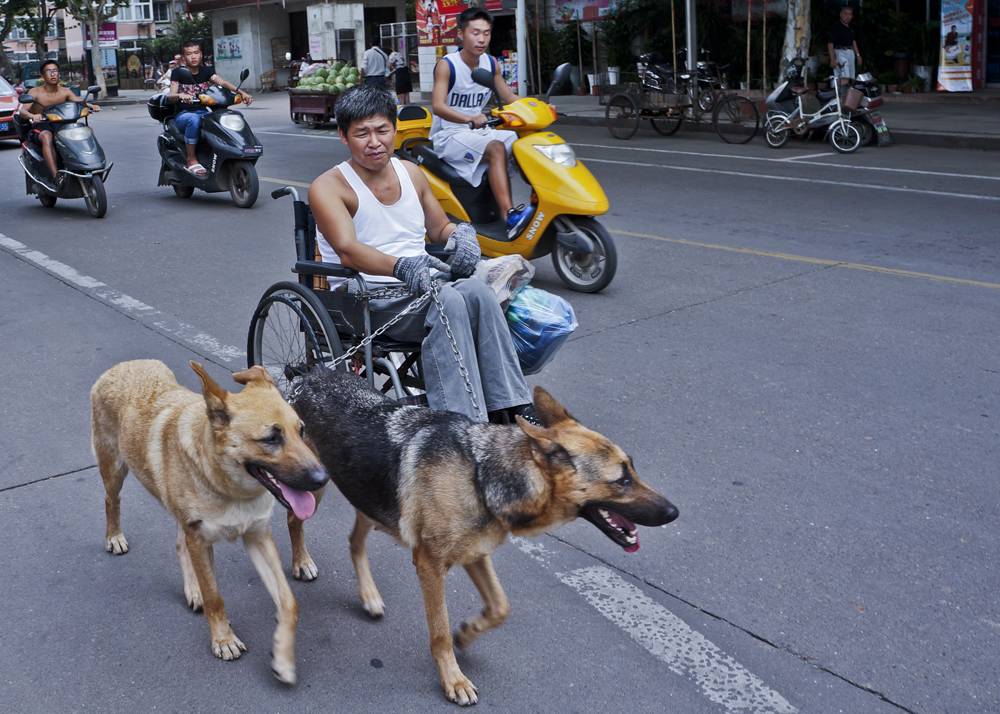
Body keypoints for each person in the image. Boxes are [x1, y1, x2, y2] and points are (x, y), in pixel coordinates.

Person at [308, 86, 538, 425]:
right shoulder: (329, 187)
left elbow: (439, 228)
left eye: (382, 130)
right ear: (343, 136)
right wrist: (400, 267)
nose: (375, 141)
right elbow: (347, 250)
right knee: (450, 300)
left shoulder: (411, 173)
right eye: (362, 133)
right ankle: (460, 420)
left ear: (395, 128)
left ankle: (512, 406)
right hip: (365, 296)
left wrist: (461, 237)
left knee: (478, 292)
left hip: (421, 288)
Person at [431, 8, 532, 240]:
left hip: (478, 130)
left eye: (486, 33)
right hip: (450, 133)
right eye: (475, 32)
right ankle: (509, 216)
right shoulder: (448, 65)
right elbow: (438, 105)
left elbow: (509, 97)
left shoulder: (490, 63)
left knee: (523, 142)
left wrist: (538, 106)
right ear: (461, 35)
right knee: (496, 147)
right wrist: (468, 118)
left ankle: (539, 202)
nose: (481, 39)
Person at [165, 40, 253, 178]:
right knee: (193, 120)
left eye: (196, 53)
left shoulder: (207, 71)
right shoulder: (178, 73)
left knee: (227, 118)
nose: (193, 57)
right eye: (189, 54)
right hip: (184, 114)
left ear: (201, 54)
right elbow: (171, 96)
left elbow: (222, 83)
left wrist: (242, 93)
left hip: (205, 112)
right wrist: (180, 95)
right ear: (183, 57)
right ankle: (191, 158)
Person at [18, 59, 100, 191]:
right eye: (49, 71)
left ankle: (90, 164)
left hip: (62, 126)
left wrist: (91, 105)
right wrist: (33, 116)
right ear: (42, 75)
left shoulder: (65, 91)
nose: (53, 74)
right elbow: (22, 111)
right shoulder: (35, 92)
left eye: (55, 71)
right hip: (41, 128)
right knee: (47, 136)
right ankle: (56, 176)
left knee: (86, 130)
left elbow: (79, 101)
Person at [827, 5, 862, 81]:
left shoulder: (851, 27)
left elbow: (853, 41)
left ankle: (849, 92)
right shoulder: (835, 27)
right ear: (841, 14)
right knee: (844, 76)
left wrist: (858, 55)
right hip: (840, 52)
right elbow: (830, 43)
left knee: (852, 77)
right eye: (845, 14)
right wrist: (832, 59)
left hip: (850, 52)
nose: (848, 16)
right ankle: (842, 92)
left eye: (850, 14)